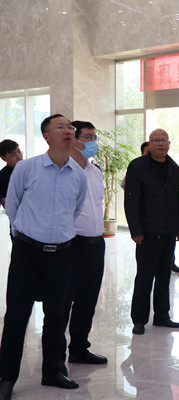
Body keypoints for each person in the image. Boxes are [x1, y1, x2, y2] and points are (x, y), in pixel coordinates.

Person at [0, 114, 88, 399]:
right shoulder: (26, 169)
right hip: (27, 252)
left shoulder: (78, 175)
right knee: (16, 316)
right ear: (46, 136)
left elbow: (75, 211)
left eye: (70, 127)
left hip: (62, 254)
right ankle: (6, 378)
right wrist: (28, 235)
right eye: (60, 127)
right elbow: (12, 207)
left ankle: (53, 370)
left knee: (57, 315)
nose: (68, 130)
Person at [124, 129, 179, 335]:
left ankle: (162, 316)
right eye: (156, 140)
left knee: (164, 276)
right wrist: (135, 229)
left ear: (169, 144)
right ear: (149, 144)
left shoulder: (174, 167)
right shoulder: (137, 166)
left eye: (164, 140)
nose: (160, 144)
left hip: (168, 230)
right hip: (147, 231)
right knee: (145, 276)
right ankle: (139, 319)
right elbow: (131, 200)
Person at [60, 120, 107, 366]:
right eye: (88, 137)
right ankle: (56, 358)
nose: (93, 142)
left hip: (96, 243)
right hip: (72, 244)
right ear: (74, 140)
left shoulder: (95, 171)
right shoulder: (63, 171)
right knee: (63, 301)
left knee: (88, 300)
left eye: (94, 138)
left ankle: (79, 348)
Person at [0, 140, 23, 209]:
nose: (19, 157)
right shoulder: (2, 177)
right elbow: (8, 206)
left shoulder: (32, 169)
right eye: (13, 154)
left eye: (19, 151)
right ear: (3, 158)